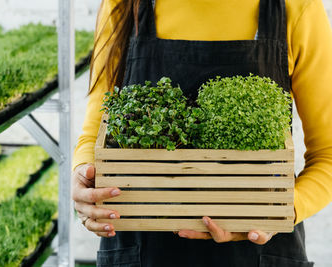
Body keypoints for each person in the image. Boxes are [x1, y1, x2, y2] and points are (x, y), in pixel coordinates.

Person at [72, 0, 332, 265]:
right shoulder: (124, 4)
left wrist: (285, 209)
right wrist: (84, 175)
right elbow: (97, 129)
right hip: (140, 249)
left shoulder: (296, 7)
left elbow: (328, 155)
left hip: (258, 251)